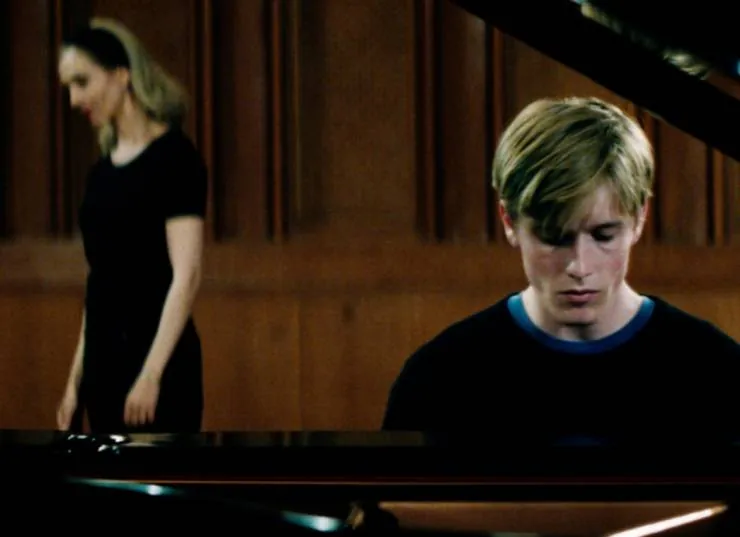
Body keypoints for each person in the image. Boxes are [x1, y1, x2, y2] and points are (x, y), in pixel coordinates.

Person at [382, 96, 740, 442]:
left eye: (603, 235)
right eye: (554, 238)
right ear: (509, 221)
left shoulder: (716, 371)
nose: (579, 267)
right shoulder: (440, 377)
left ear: (639, 218)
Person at [55, 17, 207, 433]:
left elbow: (187, 275)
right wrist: (75, 382)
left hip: (158, 368)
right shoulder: (100, 176)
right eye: (68, 87)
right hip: (103, 371)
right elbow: (100, 285)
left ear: (122, 75)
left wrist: (151, 374)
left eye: (82, 82)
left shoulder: (175, 158)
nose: (73, 99)